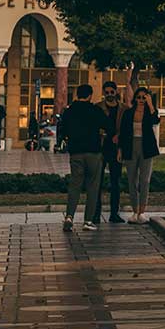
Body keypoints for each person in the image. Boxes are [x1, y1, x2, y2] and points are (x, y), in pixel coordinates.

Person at [58, 84, 106, 231]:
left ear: (77, 94)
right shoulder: (95, 110)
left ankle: (69, 216)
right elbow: (107, 125)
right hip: (93, 152)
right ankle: (88, 220)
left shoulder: (69, 111)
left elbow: (62, 129)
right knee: (92, 186)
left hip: (76, 152)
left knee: (75, 185)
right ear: (90, 95)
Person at [120, 87, 160, 223]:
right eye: (139, 97)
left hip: (146, 147)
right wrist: (120, 150)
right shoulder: (128, 113)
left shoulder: (150, 112)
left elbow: (156, 121)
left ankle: (142, 212)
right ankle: (135, 211)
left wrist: (151, 104)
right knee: (132, 180)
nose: (141, 100)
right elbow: (123, 132)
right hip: (131, 147)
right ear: (135, 99)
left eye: (144, 97)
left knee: (145, 180)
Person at [98, 81, 129, 223]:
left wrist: (120, 138)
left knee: (115, 182)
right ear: (103, 93)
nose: (109, 95)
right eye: (107, 92)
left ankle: (114, 213)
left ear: (116, 92)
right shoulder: (98, 108)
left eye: (112, 92)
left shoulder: (124, 109)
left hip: (116, 149)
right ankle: (95, 214)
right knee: (97, 182)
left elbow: (127, 128)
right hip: (101, 148)